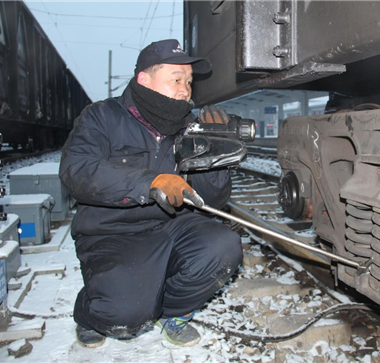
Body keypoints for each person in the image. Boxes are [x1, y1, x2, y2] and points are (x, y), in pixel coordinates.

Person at [59, 39, 243, 348]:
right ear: (144, 78)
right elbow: (76, 170)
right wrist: (149, 182)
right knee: (124, 316)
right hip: (112, 232)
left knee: (223, 245)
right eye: (176, 78)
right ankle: (92, 312)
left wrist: (214, 155)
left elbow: (213, 202)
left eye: (188, 81)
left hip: (172, 225)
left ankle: (173, 310)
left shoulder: (191, 128)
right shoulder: (101, 117)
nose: (185, 88)